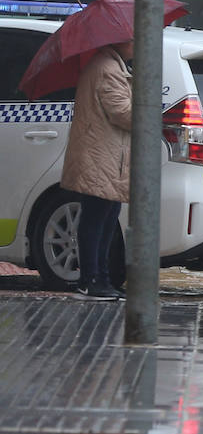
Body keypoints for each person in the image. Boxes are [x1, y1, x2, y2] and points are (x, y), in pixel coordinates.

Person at [61, 38, 134, 300]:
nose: (138, 45)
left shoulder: (113, 66)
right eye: (135, 40)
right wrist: (149, 109)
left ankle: (100, 279)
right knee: (96, 217)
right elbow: (122, 113)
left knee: (105, 217)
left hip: (106, 155)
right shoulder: (108, 68)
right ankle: (92, 280)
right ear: (123, 42)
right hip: (100, 156)